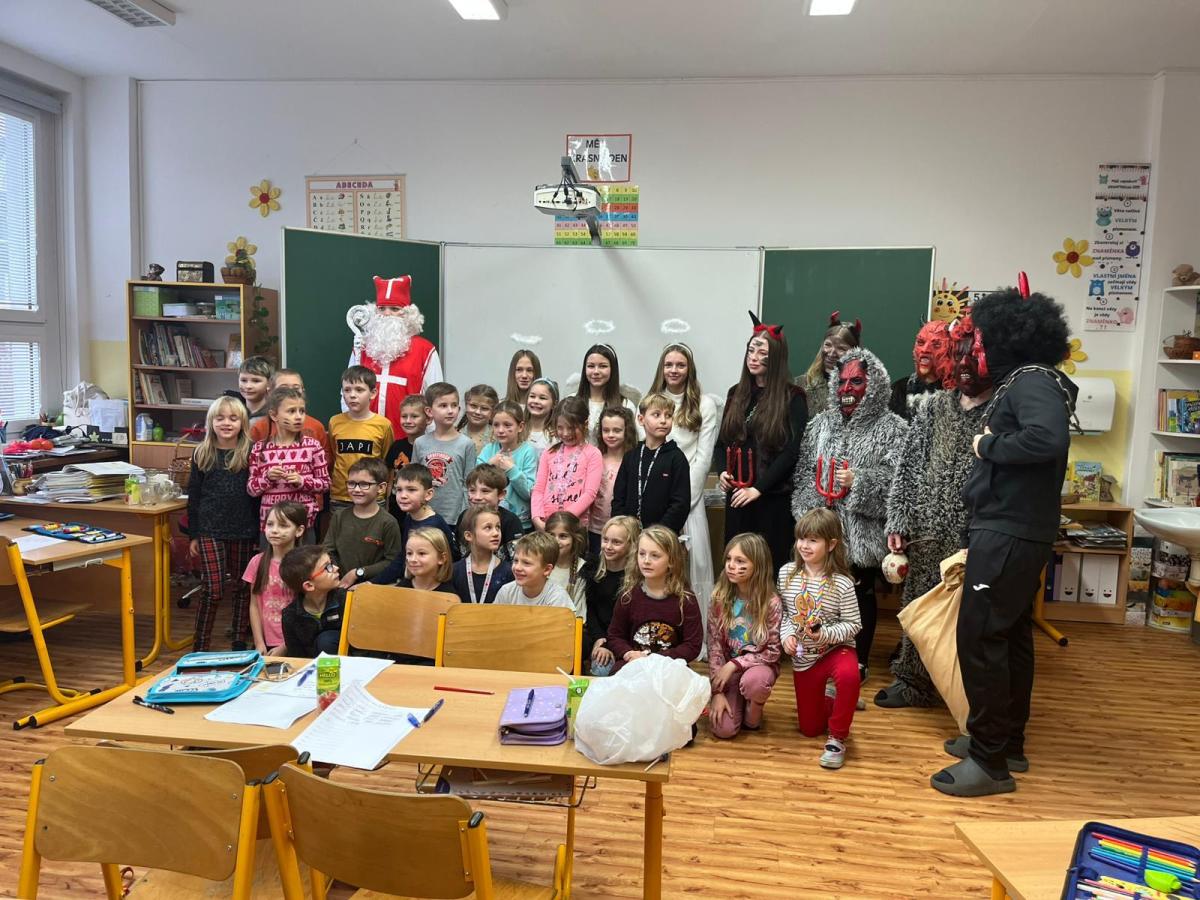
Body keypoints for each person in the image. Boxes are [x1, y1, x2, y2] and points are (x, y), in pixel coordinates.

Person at [931, 287, 1073, 798]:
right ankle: (1005, 744)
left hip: (1010, 530)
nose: (977, 347)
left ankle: (990, 762)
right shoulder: (1035, 378)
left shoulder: (1031, 380)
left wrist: (986, 444)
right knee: (1009, 636)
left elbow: (1046, 439)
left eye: (984, 338)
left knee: (981, 637)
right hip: (1014, 528)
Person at [879, 312, 994, 709]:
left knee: (968, 617)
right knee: (918, 605)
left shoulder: (1001, 410)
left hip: (972, 535)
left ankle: (961, 691)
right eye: (958, 358)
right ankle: (911, 681)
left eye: (971, 358)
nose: (964, 366)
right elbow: (908, 466)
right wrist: (898, 520)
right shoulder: (934, 408)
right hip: (927, 531)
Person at [792, 347, 906, 682]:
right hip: (822, 532)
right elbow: (804, 475)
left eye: (856, 381)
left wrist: (860, 482)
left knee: (857, 596)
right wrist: (808, 518)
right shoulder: (819, 425)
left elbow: (899, 485)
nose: (846, 388)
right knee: (820, 593)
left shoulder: (893, 428)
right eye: (841, 381)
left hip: (862, 535)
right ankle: (821, 656)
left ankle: (857, 663)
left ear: (874, 384)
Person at [713, 314, 809, 571]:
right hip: (738, 498)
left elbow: (792, 452)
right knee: (737, 567)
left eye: (762, 352)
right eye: (751, 350)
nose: (753, 357)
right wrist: (722, 472)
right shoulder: (736, 393)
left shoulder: (793, 397)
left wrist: (758, 489)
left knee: (768, 568)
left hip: (771, 500)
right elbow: (721, 444)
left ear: (776, 357)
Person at [778, 509, 861, 769]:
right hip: (805, 657)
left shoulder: (843, 583)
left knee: (849, 675)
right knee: (810, 729)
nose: (804, 545)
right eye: (801, 538)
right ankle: (837, 698)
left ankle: (837, 738)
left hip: (836, 651)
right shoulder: (786, 574)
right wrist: (787, 635)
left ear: (831, 544)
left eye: (813, 540)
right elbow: (784, 614)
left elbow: (854, 625)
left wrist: (824, 633)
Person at [649, 342, 719, 613]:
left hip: (690, 498)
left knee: (694, 565)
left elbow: (703, 458)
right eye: (669, 365)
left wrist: (681, 503)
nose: (674, 370)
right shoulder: (652, 401)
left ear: (690, 369)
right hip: (657, 498)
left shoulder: (705, 404)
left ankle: (695, 628)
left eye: (680, 365)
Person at [187, 396, 260, 651]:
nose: (226, 423)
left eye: (233, 418)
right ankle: (200, 645)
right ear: (211, 422)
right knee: (213, 588)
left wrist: (259, 533)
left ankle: (239, 639)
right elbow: (194, 497)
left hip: (244, 529)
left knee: (242, 587)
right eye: (220, 418)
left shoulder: (251, 452)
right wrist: (193, 535)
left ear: (242, 423)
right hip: (210, 529)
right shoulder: (201, 453)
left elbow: (257, 496)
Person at [346, 274, 443, 438]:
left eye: (395, 309)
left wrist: (430, 440)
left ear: (407, 314)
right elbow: (347, 391)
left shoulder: (425, 350)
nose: (387, 314)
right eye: (381, 308)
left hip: (409, 439)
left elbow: (436, 398)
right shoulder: (362, 347)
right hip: (366, 436)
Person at [706, 533, 782, 739]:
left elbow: (772, 652)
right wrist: (717, 692)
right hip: (728, 672)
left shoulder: (771, 603)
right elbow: (714, 645)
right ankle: (735, 698)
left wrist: (734, 664)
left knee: (754, 683)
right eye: (729, 559)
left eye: (740, 561)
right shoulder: (719, 598)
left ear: (758, 565)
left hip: (758, 669)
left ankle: (754, 706)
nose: (731, 565)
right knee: (723, 730)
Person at [606, 525, 703, 674]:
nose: (646, 561)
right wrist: (628, 653)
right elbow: (615, 636)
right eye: (642, 554)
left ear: (671, 560)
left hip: (669, 667)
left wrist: (653, 659)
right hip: (633, 664)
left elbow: (692, 645)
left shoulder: (686, 600)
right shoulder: (628, 597)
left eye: (655, 556)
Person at [247, 386, 330, 532]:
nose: (298, 417)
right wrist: (267, 477)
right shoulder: (259, 449)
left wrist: (302, 481)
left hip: (303, 525)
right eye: (291, 411)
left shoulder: (313, 446)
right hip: (272, 527)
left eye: (302, 411)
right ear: (274, 415)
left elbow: (325, 484)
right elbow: (251, 489)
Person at [612, 392, 690, 533]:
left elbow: (680, 505)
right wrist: (623, 529)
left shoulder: (677, 458)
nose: (663, 420)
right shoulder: (631, 456)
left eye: (668, 415)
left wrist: (658, 533)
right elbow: (618, 499)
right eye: (656, 415)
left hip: (661, 537)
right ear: (641, 419)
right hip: (629, 535)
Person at [322, 457, 402, 590]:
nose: (356, 489)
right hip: (339, 585)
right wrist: (336, 572)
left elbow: (392, 561)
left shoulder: (388, 523)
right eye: (351, 483)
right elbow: (328, 550)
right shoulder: (339, 516)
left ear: (381, 488)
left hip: (371, 588)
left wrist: (359, 572)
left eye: (364, 484)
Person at [372, 463, 458, 584]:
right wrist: (373, 582)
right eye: (399, 489)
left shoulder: (433, 526)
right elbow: (403, 558)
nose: (403, 496)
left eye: (411, 490)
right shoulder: (409, 518)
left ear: (428, 494)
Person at [531, 396, 603, 531]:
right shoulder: (548, 453)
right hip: (546, 524)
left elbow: (590, 494)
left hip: (574, 526)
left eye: (571, 428)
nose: (565, 433)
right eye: (560, 427)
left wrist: (562, 520)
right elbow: (538, 489)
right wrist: (536, 517)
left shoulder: (593, 454)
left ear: (585, 424)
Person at [244, 500, 307, 656]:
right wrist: (259, 642)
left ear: (299, 531)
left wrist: (286, 646)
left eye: (283, 526)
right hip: (266, 643)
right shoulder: (257, 562)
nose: (274, 531)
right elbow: (254, 605)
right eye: (270, 524)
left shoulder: (305, 565)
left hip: (297, 642)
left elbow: (309, 610)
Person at [328, 365, 394, 510]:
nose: (352, 395)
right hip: (341, 496)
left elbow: (386, 462)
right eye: (347, 390)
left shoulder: (383, 425)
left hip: (372, 495)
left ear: (373, 393)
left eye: (359, 390)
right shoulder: (335, 422)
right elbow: (334, 455)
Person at [583, 515, 640, 676]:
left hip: (628, 641)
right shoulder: (594, 570)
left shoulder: (637, 578)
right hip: (601, 636)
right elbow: (591, 610)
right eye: (605, 540)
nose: (608, 546)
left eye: (616, 542)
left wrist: (611, 644)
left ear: (631, 545)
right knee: (602, 668)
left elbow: (632, 621)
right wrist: (599, 639)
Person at [413, 382, 477, 524]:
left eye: (454, 405)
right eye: (443, 406)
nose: (450, 411)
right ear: (429, 411)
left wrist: (464, 515)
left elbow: (469, 484)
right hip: (424, 515)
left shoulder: (466, 444)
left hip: (454, 518)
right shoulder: (420, 443)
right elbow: (414, 480)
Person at [478, 400, 540, 533]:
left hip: (520, 522)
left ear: (520, 427)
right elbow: (475, 481)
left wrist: (512, 469)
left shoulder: (528, 452)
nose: (501, 430)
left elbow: (528, 493)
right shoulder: (489, 450)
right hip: (488, 520)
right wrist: (490, 465)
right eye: (496, 425)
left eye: (507, 425)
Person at [279, 545, 346, 658]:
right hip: (314, 665)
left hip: (347, 661)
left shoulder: (345, 599)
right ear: (309, 585)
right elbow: (297, 656)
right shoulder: (290, 616)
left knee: (326, 640)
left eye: (331, 563)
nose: (336, 568)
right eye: (327, 567)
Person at [589, 406, 637, 555]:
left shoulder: (633, 461)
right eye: (606, 430)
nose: (610, 435)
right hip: (595, 529)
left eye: (617, 430)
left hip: (623, 531)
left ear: (627, 431)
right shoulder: (596, 458)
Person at [249, 368, 330, 452]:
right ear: (270, 392)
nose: (290, 392)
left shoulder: (316, 427)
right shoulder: (259, 429)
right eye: (283, 389)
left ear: (303, 391)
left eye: (296, 388)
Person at [454, 464, 524, 560]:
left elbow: (517, 559)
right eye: (472, 490)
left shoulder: (511, 521)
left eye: (485, 491)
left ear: (501, 494)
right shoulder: (464, 517)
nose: (477, 497)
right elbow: (457, 555)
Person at [798, 312, 861, 416]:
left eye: (841, 348)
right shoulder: (800, 385)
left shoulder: (865, 389)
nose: (831, 353)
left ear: (854, 353)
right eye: (828, 345)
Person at [889, 320, 953, 420]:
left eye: (936, 345)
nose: (925, 349)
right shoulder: (899, 390)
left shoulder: (956, 394)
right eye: (921, 342)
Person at [451, 504, 514, 604]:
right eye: (488, 527)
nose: (496, 533)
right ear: (469, 536)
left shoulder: (509, 572)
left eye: (498, 527)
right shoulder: (454, 572)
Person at [494, 532, 575, 609]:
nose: (517, 568)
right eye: (515, 560)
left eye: (526, 563)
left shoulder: (557, 597)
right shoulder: (506, 592)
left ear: (547, 569)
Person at [574, 343, 638, 436]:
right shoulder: (572, 401)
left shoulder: (626, 405)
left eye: (603, 366)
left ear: (613, 369)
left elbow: (631, 440)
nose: (596, 371)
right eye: (591, 366)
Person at [384, 394, 429, 521]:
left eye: (414, 416)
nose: (408, 421)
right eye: (404, 416)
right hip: (396, 507)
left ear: (428, 419)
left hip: (421, 508)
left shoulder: (431, 447)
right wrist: (387, 505)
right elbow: (390, 479)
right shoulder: (396, 446)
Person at [545, 510, 588, 620]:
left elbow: (579, 615)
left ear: (575, 539)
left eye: (563, 536)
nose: (556, 541)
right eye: (551, 535)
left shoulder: (582, 569)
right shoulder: (540, 564)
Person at [390, 526, 457, 593]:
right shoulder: (400, 589)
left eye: (421, 553)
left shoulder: (448, 594)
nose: (413, 559)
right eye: (409, 553)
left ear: (441, 558)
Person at [458, 383, 499, 455]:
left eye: (484, 408)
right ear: (466, 405)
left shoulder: (498, 437)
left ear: (493, 412)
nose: (477, 412)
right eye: (473, 406)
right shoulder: (455, 435)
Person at [236, 355, 275, 425]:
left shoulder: (274, 416)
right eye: (243, 380)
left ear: (269, 383)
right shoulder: (234, 412)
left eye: (256, 381)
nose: (248, 386)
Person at [524, 378, 559, 451]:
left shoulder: (555, 435)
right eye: (532, 396)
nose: (536, 401)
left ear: (554, 404)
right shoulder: (518, 429)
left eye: (542, 398)